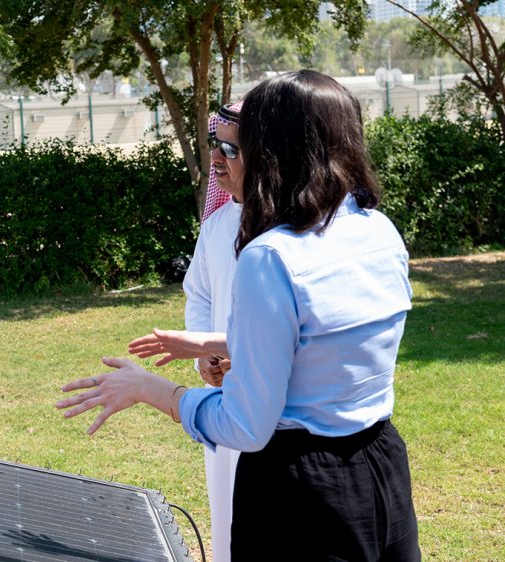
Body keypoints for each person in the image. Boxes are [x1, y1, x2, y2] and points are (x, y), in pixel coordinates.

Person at [57, 70, 419, 561]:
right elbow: (327, 342)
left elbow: (248, 425)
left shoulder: (270, 256)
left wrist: (150, 389)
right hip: (380, 467)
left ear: (276, 153)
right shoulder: (379, 231)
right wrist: (216, 345)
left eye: (238, 147)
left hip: (299, 493)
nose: (225, 160)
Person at [128, 102, 243, 562]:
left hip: (276, 407)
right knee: (228, 510)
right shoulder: (216, 225)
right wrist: (203, 355)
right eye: (216, 144)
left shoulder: (286, 226)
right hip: (223, 395)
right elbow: (200, 293)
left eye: (230, 148)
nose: (217, 158)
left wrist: (248, 355)